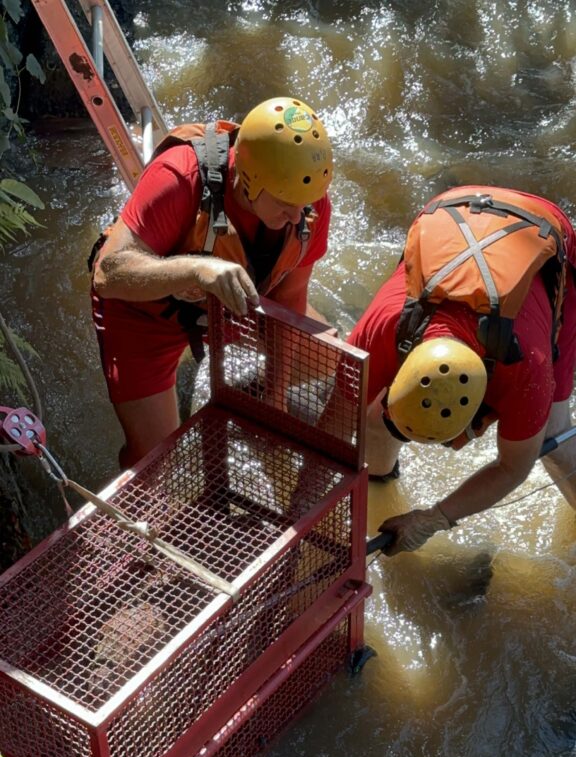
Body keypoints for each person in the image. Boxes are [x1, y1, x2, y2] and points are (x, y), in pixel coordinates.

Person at [90, 97, 333, 468]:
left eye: (306, 204)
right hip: (147, 317)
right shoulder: (180, 177)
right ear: (248, 180)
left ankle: (240, 395)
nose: (298, 216)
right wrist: (194, 271)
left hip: (229, 305)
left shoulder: (306, 203)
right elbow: (108, 274)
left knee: (330, 356)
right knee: (155, 460)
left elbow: (290, 299)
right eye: (286, 205)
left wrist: (276, 395)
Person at [344, 185, 576, 555]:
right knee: (371, 416)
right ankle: (381, 479)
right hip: (455, 212)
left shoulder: (526, 369)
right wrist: (300, 512)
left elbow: (513, 467)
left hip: (546, 242)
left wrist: (436, 517)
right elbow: (330, 428)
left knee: (554, 434)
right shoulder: (378, 334)